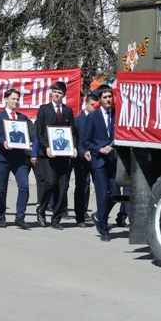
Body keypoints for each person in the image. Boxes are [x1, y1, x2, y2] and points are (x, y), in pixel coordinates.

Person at [33, 81, 77, 229]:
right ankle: (41, 209)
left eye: (60, 92)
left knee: (62, 186)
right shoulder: (44, 109)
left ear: (64, 95)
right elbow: (39, 132)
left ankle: (56, 219)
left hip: (64, 154)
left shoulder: (68, 111)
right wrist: (46, 147)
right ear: (51, 93)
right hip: (48, 155)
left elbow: (72, 132)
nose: (57, 94)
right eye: (54, 92)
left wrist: (74, 147)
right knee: (50, 182)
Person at [0, 88, 32, 229]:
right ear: (6, 99)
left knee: (24, 186)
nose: (16, 101)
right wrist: (3, 143)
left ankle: (20, 217)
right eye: (13, 98)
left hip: (19, 159)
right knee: (1, 188)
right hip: (2, 157)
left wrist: (28, 144)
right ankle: (1, 216)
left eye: (18, 99)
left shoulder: (22, 118)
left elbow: (28, 135)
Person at [85, 85, 120, 241]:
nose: (108, 99)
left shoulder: (116, 115)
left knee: (115, 193)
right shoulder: (93, 117)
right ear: (100, 100)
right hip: (99, 161)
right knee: (102, 194)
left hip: (113, 160)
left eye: (110, 96)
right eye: (105, 97)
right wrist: (99, 149)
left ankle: (99, 215)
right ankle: (104, 229)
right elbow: (86, 141)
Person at [74, 92, 98, 227]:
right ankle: (80, 216)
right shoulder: (78, 120)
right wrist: (83, 153)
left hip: (96, 157)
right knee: (82, 186)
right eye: (92, 105)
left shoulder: (98, 119)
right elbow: (76, 141)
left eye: (96, 105)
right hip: (81, 159)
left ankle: (101, 216)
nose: (94, 107)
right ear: (86, 103)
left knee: (100, 187)